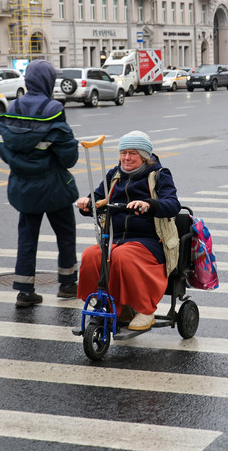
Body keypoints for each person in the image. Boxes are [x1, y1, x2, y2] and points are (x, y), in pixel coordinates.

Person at [0, 59, 79, 308]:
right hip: (53, 187)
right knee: (65, 234)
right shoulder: (53, 108)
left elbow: (3, 146)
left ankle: (24, 291)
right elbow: (67, 155)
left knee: (27, 237)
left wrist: (20, 165)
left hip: (22, 186)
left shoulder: (12, 106)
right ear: (48, 80)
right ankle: (67, 283)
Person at [76, 131, 181, 331]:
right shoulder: (114, 175)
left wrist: (149, 205)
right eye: (123, 152)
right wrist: (87, 204)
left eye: (132, 153)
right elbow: (97, 198)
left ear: (144, 156)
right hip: (115, 238)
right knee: (91, 255)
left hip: (150, 240)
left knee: (122, 256)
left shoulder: (159, 175)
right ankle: (110, 305)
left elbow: (172, 204)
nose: (126, 158)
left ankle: (145, 310)